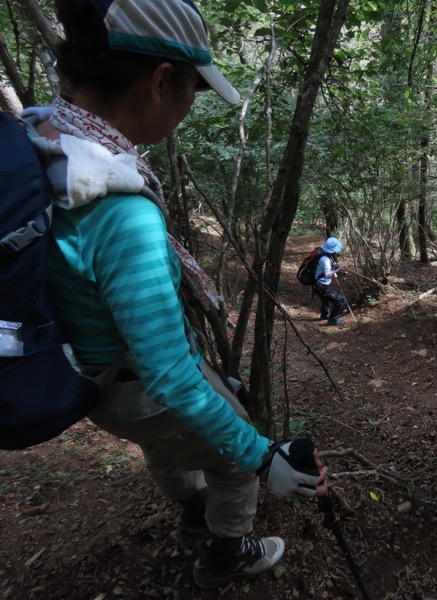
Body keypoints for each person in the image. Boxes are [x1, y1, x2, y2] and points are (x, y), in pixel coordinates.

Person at [22, 0, 328, 589]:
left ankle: (193, 515)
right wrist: (264, 457)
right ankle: (226, 551)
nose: (191, 107)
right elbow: (169, 376)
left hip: (94, 380)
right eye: (195, 91)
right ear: (162, 80)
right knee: (233, 459)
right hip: (139, 387)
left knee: (166, 448)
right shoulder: (119, 211)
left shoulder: (45, 145)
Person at [314, 236, 347, 326]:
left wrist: (336, 265)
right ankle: (333, 320)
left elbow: (325, 267)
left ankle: (325, 315)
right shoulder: (325, 259)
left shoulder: (323, 254)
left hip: (318, 284)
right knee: (340, 300)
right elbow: (327, 274)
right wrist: (337, 271)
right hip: (321, 285)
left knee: (325, 298)